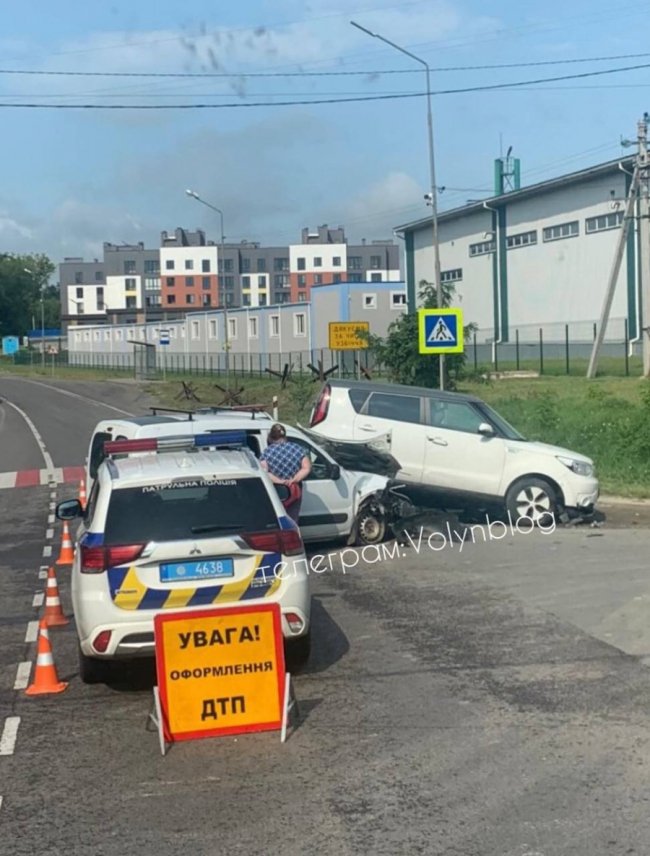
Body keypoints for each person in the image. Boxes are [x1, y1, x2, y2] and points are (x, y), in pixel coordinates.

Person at [260, 424, 311, 524]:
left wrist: (280, 481)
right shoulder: (297, 449)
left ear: (271, 437)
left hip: (276, 491)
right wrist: (294, 480)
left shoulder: (267, 452)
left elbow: (264, 472)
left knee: (277, 519)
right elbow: (306, 468)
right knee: (293, 518)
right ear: (285, 436)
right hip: (294, 490)